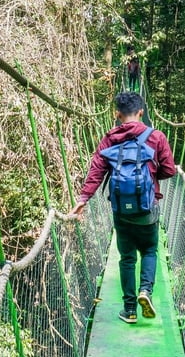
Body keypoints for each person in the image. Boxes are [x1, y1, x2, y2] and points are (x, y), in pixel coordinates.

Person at [70, 91, 176, 324]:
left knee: (127, 258)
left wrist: (83, 199)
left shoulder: (109, 139)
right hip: (148, 209)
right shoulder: (156, 136)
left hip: (121, 212)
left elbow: (96, 171)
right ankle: (145, 291)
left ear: (117, 115)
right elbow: (169, 170)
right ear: (141, 112)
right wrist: (149, 172)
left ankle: (129, 310)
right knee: (149, 250)